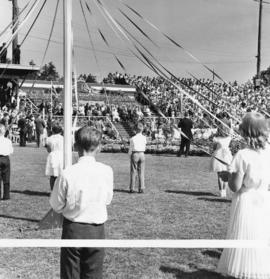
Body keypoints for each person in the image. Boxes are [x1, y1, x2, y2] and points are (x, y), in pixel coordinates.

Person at [50, 126, 113, 279]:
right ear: (98, 148)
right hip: (96, 230)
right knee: (93, 274)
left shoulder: (68, 173)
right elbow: (107, 200)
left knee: (70, 274)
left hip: (73, 229)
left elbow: (56, 205)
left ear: (75, 146)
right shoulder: (106, 171)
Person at [217, 112, 270, 279]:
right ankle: (260, 268)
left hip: (246, 199)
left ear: (245, 132)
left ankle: (243, 269)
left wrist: (228, 176)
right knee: (261, 232)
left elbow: (235, 186)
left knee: (244, 232)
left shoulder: (242, 155)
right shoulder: (268, 152)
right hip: (263, 197)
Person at [210, 124, 232, 197]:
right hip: (227, 156)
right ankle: (224, 191)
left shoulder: (216, 138)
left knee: (219, 176)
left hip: (218, 156)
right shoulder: (229, 138)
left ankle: (221, 192)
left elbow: (214, 148)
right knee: (226, 175)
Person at [129, 122, 147, 193]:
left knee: (133, 172)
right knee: (141, 172)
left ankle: (132, 188)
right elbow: (144, 146)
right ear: (142, 129)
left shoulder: (132, 138)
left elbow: (130, 148)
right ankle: (141, 188)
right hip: (142, 154)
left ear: (135, 130)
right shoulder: (144, 138)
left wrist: (129, 155)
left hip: (135, 154)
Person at [45, 124, 63, 191]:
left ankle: (53, 190)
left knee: (52, 175)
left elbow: (48, 150)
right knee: (61, 174)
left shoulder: (49, 139)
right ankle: (60, 191)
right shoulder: (63, 138)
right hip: (61, 155)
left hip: (53, 155)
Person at [0, 124, 13, 200]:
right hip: (5, 158)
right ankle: (6, 195)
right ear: (4, 131)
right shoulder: (8, 141)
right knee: (6, 177)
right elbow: (11, 151)